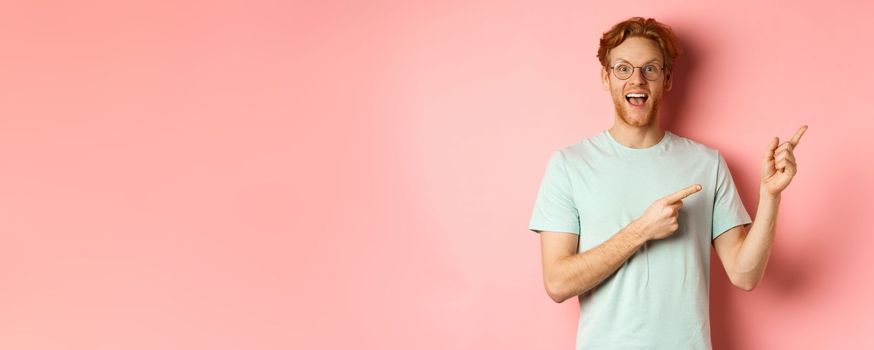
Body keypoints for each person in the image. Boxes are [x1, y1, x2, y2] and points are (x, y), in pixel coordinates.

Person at [527, 17, 807, 349]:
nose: (637, 80)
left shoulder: (707, 164)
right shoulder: (569, 165)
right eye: (623, 69)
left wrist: (770, 195)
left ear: (667, 79)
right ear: (606, 77)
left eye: (650, 69)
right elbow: (557, 283)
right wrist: (642, 230)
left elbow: (744, 275)